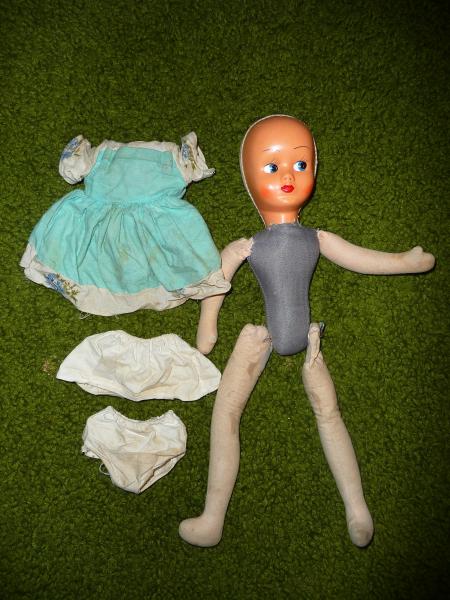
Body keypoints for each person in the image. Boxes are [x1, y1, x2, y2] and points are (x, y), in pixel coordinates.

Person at [180, 115, 435, 547]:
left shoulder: (316, 238)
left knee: (329, 413)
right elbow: (216, 280)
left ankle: (358, 510)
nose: (287, 176)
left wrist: (402, 262)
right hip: (259, 338)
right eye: (271, 166)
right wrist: (208, 325)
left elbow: (357, 256)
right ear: (250, 179)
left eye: (300, 165)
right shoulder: (248, 245)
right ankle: (212, 517)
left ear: (313, 169)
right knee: (226, 413)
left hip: (308, 340)